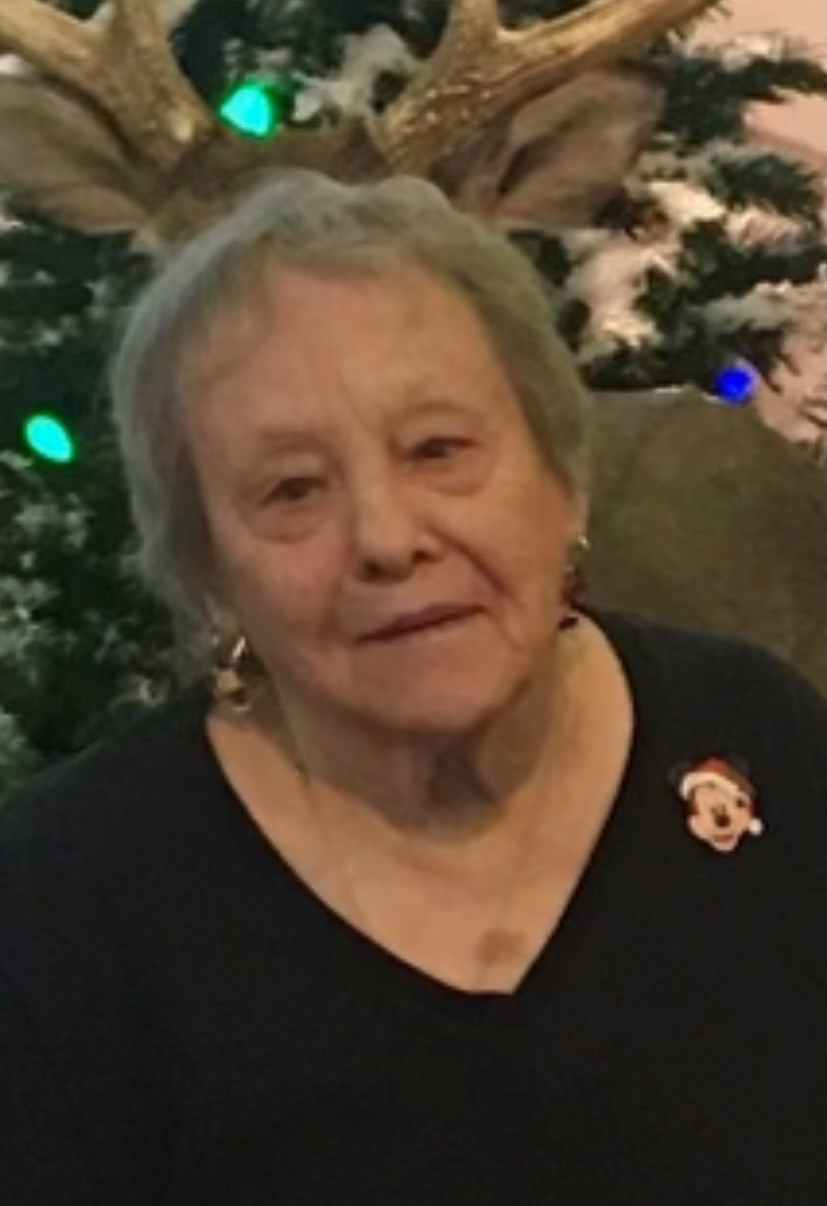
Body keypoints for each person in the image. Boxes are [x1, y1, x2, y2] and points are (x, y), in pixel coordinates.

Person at [2, 171, 826, 1206]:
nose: (387, 538)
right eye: (291, 489)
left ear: (560, 475)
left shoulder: (755, 734)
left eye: (439, 449)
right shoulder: (62, 908)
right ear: (208, 570)